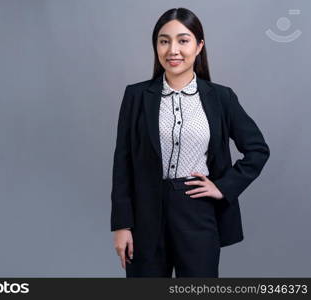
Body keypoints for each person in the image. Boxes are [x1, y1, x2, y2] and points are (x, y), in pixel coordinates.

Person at [110, 7, 270, 278]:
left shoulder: (221, 98)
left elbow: (257, 149)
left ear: (199, 46)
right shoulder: (136, 96)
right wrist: (122, 225)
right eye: (164, 41)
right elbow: (122, 164)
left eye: (183, 40)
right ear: (156, 46)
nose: (173, 50)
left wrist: (223, 187)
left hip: (197, 212)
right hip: (145, 217)